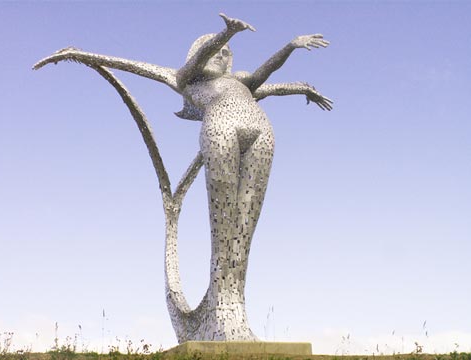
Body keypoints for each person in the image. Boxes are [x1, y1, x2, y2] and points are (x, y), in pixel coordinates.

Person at [33, 13, 332, 341]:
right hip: (221, 128)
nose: (222, 55)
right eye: (216, 50)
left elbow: (269, 79)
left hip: (261, 131)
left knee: (245, 227)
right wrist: (225, 32)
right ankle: (219, 318)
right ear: (200, 51)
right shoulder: (186, 78)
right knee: (223, 227)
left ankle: (234, 312)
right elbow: (131, 63)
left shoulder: (242, 80)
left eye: (227, 52)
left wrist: (293, 57)